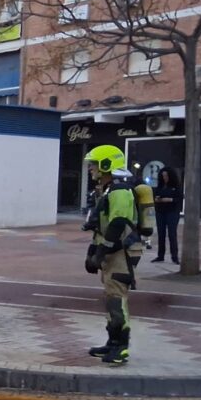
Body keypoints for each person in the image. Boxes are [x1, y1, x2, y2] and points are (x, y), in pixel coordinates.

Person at [83, 145, 142, 365]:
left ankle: (121, 347)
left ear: (106, 165)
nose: (91, 168)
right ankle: (112, 342)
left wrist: (100, 253)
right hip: (112, 251)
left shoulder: (119, 191)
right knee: (110, 297)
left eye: (94, 164)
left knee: (117, 298)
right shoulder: (107, 190)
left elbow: (117, 225)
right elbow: (102, 226)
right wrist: (93, 252)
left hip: (122, 253)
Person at [151, 167, 183, 265]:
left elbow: (179, 198)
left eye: (166, 176)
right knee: (161, 234)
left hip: (172, 212)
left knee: (172, 234)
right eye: (163, 176)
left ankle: (174, 256)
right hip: (160, 211)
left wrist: (170, 200)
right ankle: (160, 255)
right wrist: (157, 199)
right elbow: (155, 196)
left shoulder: (176, 187)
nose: (164, 178)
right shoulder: (160, 186)